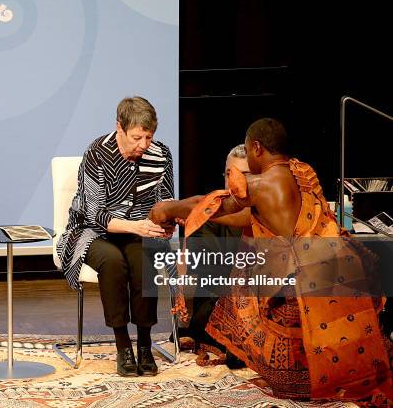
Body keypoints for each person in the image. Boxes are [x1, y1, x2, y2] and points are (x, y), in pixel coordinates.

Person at [150, 118, 391, 402]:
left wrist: (164, 209)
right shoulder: (301, 173)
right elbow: (247, 216)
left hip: (306, 284)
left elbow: (209, 202)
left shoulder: (262, 182)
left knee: (243, 284)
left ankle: (301, 376)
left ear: (257, 147)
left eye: (249, 152)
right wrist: (192, 217)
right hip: (340, 273)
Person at [56, 96, 174, 377]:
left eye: (149, 136)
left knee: (143, 257)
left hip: (139, 231)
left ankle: (145, 344)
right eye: (136, 137)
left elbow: (166, 200)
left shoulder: (161, 154)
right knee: (113, 262)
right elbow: (95, 213)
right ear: (119, 128)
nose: (143, 145)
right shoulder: (97, 152)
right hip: (91, 231)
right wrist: (137, 227)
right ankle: (123, 346)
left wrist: (167, 222)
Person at [174, 144, 248, 366]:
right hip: (216, 298)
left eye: (242, 174)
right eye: (228, 173)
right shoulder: (208, 209)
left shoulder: (265, 208)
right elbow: (206, 268)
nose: (232, 180)